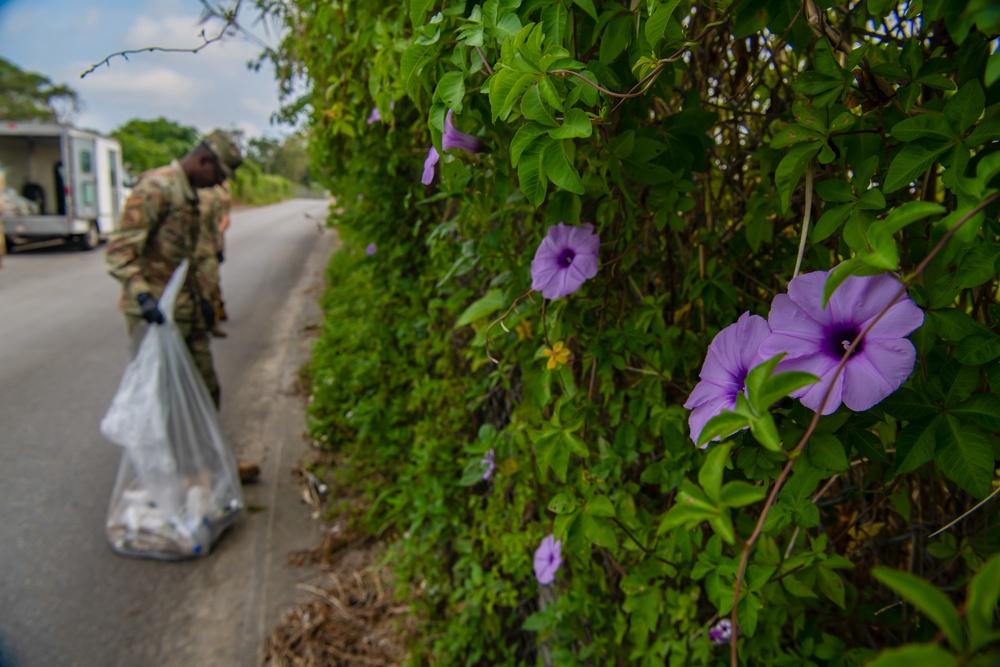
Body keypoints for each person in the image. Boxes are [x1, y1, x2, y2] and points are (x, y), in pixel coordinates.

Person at [105, 130, 259, 483]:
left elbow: (190, 258)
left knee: (205, 390)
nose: (217, 184)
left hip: (186, 311)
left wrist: (207, 303)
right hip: (154, 315)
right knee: (163, 401)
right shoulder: (156, 189)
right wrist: (142, 296)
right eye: (218, 175)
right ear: (204, 162)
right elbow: (119, 251)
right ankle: (168, 479)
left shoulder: (190, 194)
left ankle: (211, 467)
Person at [197, 183, 231, 338]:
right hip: (197, 248)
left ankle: (214, 318)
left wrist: (215, 240)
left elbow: (225, 219)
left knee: (211, 283)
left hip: (210, 247)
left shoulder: (219, 194)